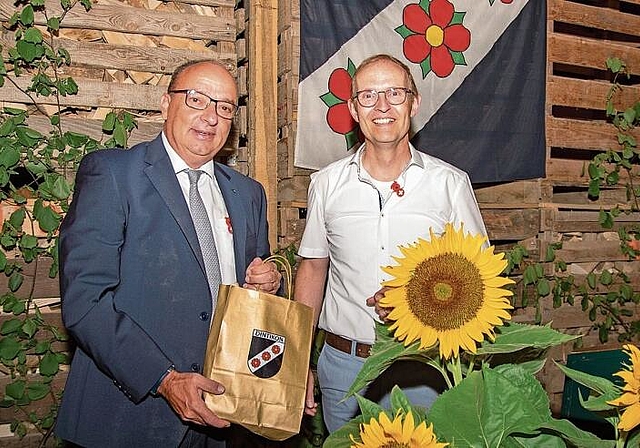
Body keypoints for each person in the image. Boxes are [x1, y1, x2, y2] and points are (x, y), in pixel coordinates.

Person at [55, 60, 282, 447]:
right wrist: (164, 379)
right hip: (129, 414)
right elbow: (85, 301)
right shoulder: (113, 174)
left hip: (221, 413)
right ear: (166, 103)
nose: (210, 117)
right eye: (196, 99)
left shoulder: (248, 194)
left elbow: (254, 293)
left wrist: (271, 279)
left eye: (224, 107)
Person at [294, 54, 488, 433]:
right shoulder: (326, 184)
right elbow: (314, 268)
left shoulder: (450, 184)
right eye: (368, 96)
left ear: (413, 103)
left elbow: (477, 274)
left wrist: (417, 299)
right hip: (346, 367)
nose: (382, 106)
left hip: (423, 366)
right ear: (352, 109)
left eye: (394, 94)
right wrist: (300, 361)